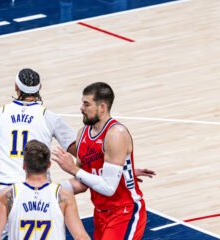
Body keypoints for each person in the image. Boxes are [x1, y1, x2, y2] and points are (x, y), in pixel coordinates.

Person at [0, 68, 77, 239]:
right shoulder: (49, 117)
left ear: (16, 86)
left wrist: (1, 179)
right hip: (43, 190)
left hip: (6, 190)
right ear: (40, 87)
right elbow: (79, 150)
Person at [52, 82, 149, 240]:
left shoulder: (116, 134)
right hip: (100, 213)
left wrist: (73, 169)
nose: (81, 108)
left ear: (102, 107)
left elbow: (109, 188)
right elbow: (83, 182)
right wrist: (49, 189)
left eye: (86, 104)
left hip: (124, 211)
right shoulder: (82, 134)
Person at [0, 140, 90, 240]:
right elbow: (80, 237)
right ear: (49, 165)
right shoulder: (64, 195)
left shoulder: (8, 195)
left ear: (24, 165)